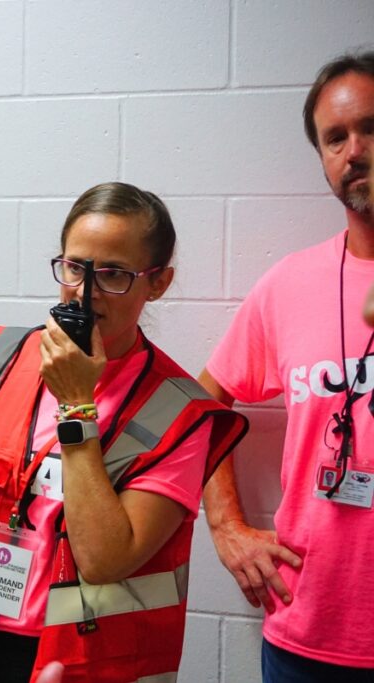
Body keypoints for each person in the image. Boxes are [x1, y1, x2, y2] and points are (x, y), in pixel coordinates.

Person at [0, 182, 248, 683]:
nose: (86, 292)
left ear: (157, 283)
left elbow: (103, 558)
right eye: (76, 268)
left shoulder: (181, 414)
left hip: (87, 665)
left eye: (114, 274)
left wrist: (77, 405)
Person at [200, 51, 374, 681]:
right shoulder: (289, 285)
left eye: (371, 127)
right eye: (335, 137)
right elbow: (202, 402)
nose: (354, 150)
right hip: (305, 638)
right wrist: (225, 525)